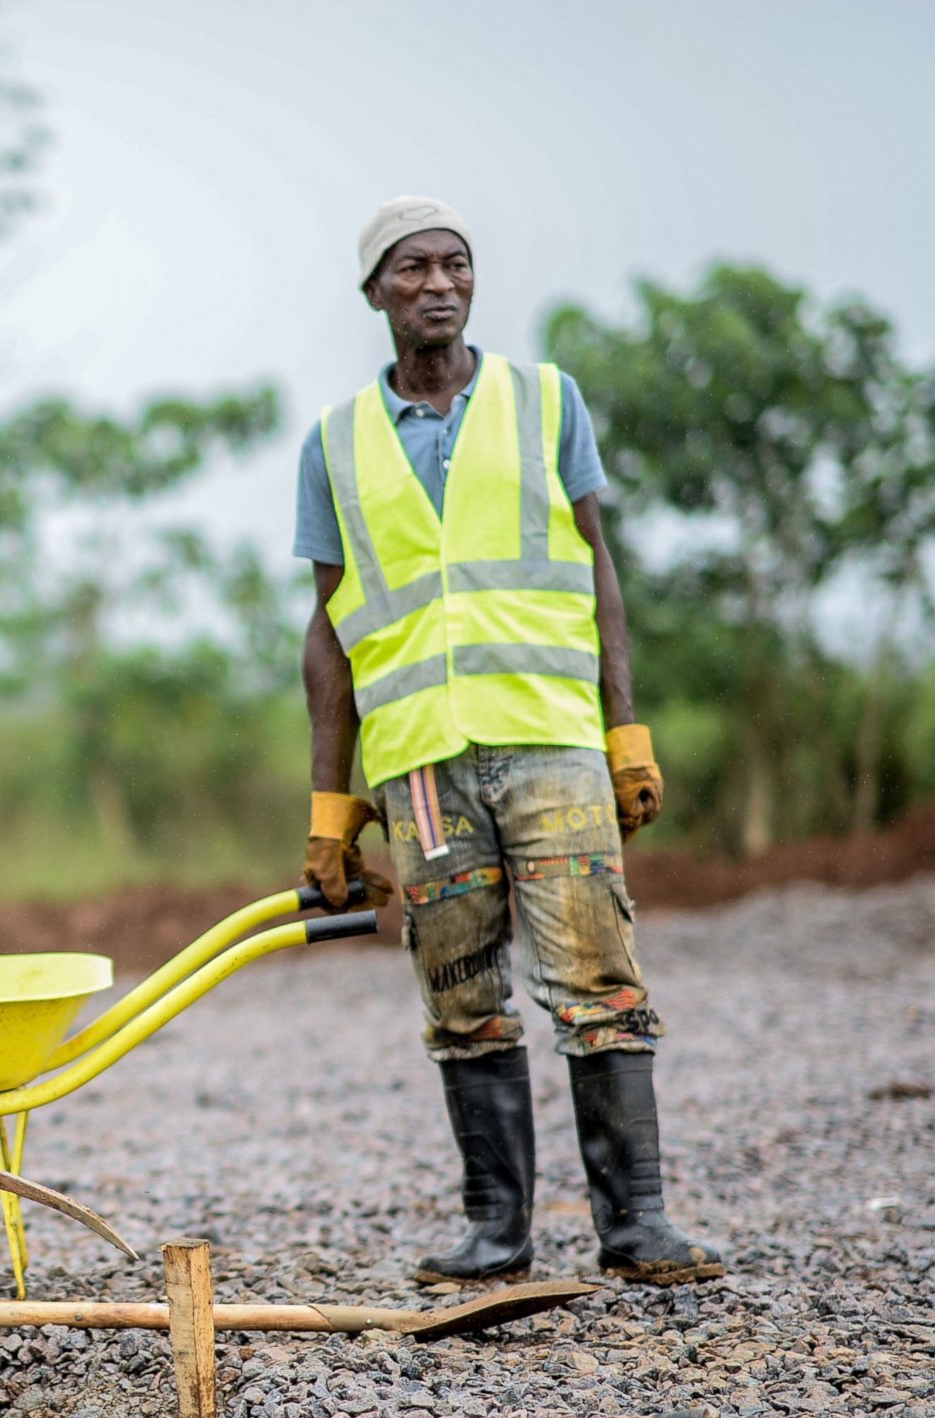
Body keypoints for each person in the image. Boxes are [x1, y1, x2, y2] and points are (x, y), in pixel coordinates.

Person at [295, 195, 723, 1288]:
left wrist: (626, 729)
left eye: (457, 266)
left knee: (596, 975)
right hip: (422, 766)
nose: (438, 285)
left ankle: (637, 1227)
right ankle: (498, 1233)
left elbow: (598, 568)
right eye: (413, 270)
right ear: (376, 293)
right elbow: (329, 633)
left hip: (549, 741)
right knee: (460, 992)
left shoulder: (545, 402)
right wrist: (329, 812)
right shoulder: (335, 444)